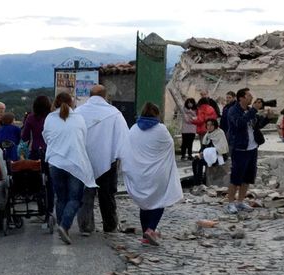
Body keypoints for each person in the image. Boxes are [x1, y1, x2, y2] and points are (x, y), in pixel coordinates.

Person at [120, 102, 182, 246]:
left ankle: (145, 234)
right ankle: (151, 229)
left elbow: (127, 147)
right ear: (157, 114)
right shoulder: (161, 130)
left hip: (139, 172)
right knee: (159, 201)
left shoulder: (134, 129)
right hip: (157, 172)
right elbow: (169, 145)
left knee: (145, 204)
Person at [43, 92, 96, 245]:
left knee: (61, 198)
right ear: (72, 102)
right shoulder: (79, 118)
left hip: (55, 162)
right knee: (75, 198)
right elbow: (83, 139)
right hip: (75, 163)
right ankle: (65, 226)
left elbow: (47, 138)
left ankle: (62, 225)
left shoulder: (49, 119)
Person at [74, 85, 128, 235]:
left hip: (83, 159)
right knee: (107, 195)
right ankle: (109, 225)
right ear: (105, 96)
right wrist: (120, 158)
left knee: (86, 194)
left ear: (90, 95)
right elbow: (123, 138)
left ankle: (85, 226)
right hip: (108, 161)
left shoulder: (78, 112)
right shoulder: (114, 113)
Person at [225, 88, 271, 214]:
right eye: (249, 96)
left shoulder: (250, 110)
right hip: (240, 148)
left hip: (252, 147)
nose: (252, 98)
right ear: (241, 98)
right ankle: (230, 203)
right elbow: (239, 124)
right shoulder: (233, 111)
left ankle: (240, 201)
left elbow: (257, 125)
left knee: (248, 177)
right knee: (236, 177)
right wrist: (254, 110)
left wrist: (267, 118)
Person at [21, 95, 54, 214]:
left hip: (35, 152)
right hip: (50, 152)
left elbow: (24, 137)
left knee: (36, 181)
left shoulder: (30, 118)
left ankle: (40, 207)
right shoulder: (52, 117)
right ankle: (50, 208)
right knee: (50, 182)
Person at [192, 119, 229, 185]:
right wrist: (201, 153)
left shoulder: (219, 133)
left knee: (200, 162)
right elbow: (203, 147)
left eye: (211, 125)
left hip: (219, 156)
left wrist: (208, 153)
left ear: (215, 126)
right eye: (208, 125)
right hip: (208, 155)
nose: (209, 127)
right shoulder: (207, 135)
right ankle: (196, 181)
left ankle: (199, 182)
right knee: (195, 161)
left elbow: (222, 148)